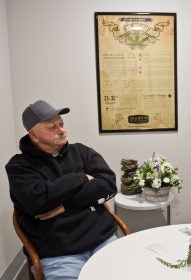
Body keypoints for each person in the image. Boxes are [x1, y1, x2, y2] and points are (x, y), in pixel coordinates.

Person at [6, 100, 119, 280]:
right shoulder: (19, 167)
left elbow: (108, 184)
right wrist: (81, 178)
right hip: (59, 254)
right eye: (52, 127)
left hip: (102, 240)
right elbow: (37, 202)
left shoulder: (82, 152)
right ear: (33, 135)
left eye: (61, 124)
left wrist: (65, 205)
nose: (61, 130)